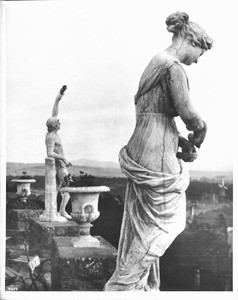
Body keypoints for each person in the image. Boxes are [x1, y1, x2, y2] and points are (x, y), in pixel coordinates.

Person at [104, 11, 213, 291]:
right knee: (163, 222)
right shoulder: (173, 67)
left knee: (144, 223)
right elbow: (189, 115)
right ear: (190, 40)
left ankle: (136, 284)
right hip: (156, 151)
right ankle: (124, 286)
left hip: (144, 143)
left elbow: (153, 114)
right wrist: (200, 131)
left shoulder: (154, 63)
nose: (198, 60)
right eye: (200, 52)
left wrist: (178, 139)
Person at [45, 85, 72, 220]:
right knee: (68, 187)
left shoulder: (53, 131)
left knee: (58, 189)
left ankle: (55, 211)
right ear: (54, 125)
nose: (60, 121)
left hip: (60, 164)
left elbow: (55, 112)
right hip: (59, 165)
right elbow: (50, 153)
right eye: (58, 122)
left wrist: (59, 96)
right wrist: (63, 158)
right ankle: (61, 211)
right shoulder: (51, 136)